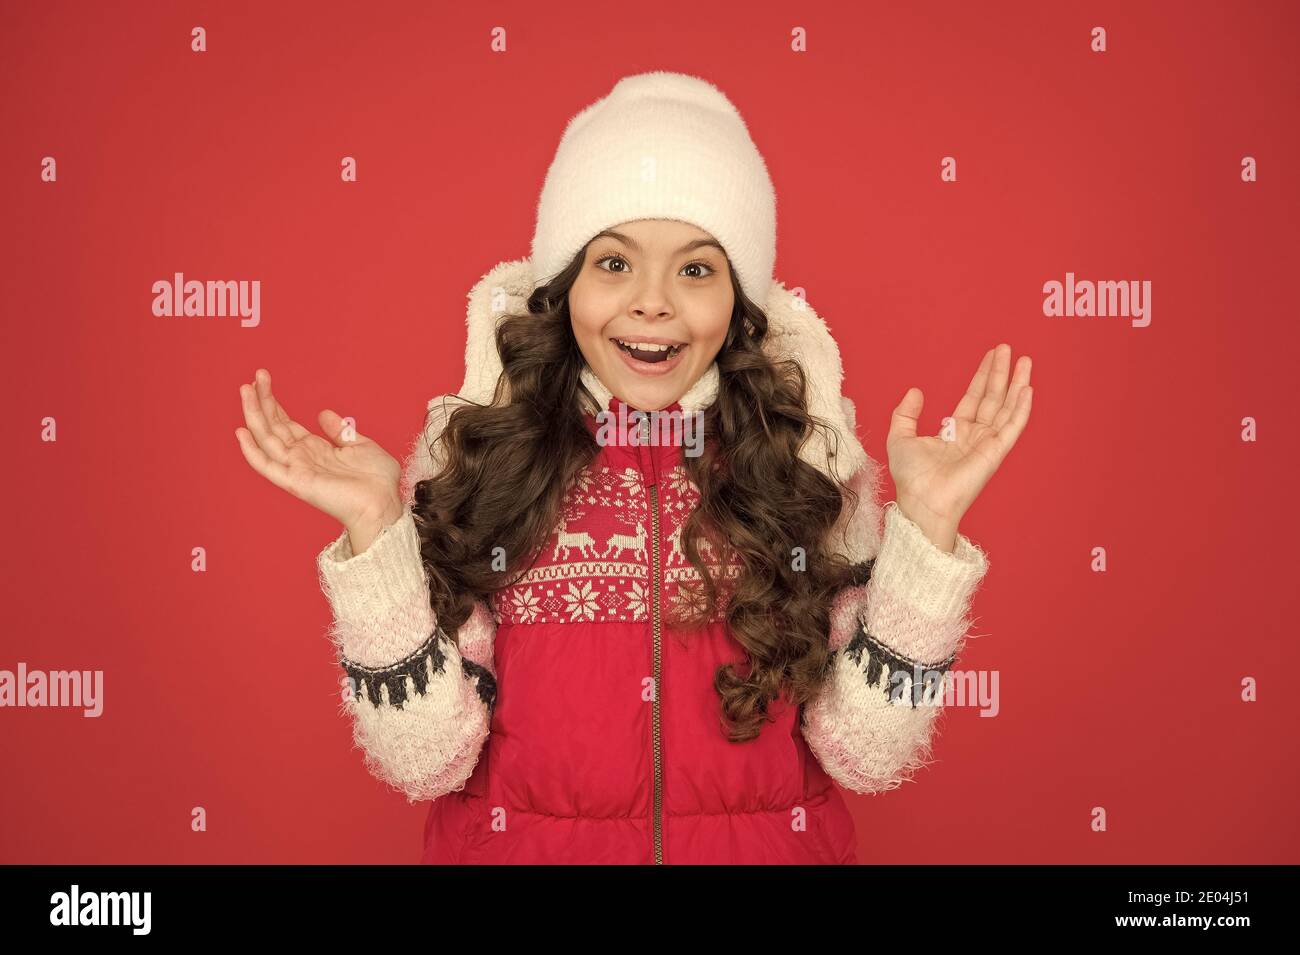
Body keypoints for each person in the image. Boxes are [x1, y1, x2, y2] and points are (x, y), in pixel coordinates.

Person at [235, 71, 1033, 864]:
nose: (652, 301)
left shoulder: (806, 470)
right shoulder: (484, 464)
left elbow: (871, 754)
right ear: (565, 284)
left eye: (695, 269)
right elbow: (425, 759)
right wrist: (378, 534)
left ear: (739, 301)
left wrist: (926, 530)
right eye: (613, 263)